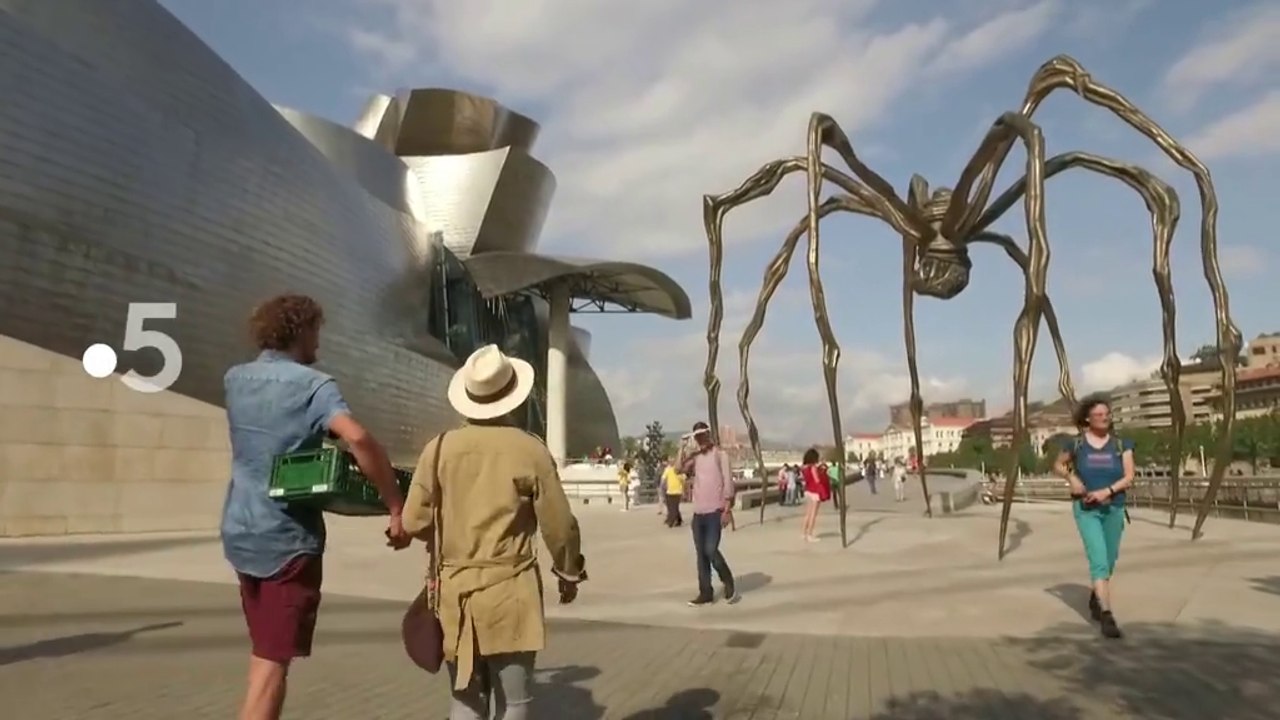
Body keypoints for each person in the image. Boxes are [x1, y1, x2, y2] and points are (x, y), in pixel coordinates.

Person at [220, 294, 410, 720]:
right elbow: (357, 437)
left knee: (265, 656)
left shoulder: (235, 379)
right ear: (301, 330)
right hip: (287, 542)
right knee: (272, 668)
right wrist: (394, 504)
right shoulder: (314, 386)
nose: (318, 345)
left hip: (239, 531)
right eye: (316, 333)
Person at [403, 344, 586, 718]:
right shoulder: (529, 450)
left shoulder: (438, 449)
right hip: (511, 589)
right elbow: (560, 525)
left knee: (465, 700)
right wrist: (568, 571)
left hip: (456, 595)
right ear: (511, 398)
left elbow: (412, 522)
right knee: (514, 702)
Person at [1053, 394, 1134, 640]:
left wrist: (1106, 492)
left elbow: (1129, 476)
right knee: (1098, 559)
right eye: (1098, 415)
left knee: (1109, 559)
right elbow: (1058, 465)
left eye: (1107, 414)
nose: (1104, 418)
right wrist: (1072, 478)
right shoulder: (1076, 444)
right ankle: (1106, 615)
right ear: (1087, 419)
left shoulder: (1121, 445)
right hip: (1086, 510)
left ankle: (1096, 596)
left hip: (1114, 507)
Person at [678, 421, 738, 606]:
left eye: (703, 436)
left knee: (710, 550)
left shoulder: (720, 455)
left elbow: (728, 482)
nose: (700, 439)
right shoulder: (695, 457)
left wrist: (727, 509)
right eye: (697, 437)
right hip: (699, 513)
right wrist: (682, 447)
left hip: (715, 511)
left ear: (708, 435)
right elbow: (678, 469)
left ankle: (727, 580)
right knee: (701, 555)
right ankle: (705, 592)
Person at [799, 448, 831, 542]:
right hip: (815, 492)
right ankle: (810, 534)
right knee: (813, 514)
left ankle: (803, 533)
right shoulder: (813, 467)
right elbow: (817, 480)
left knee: (807, 514)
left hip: (808, 491)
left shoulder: (804, 468)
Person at [662, 459, 685, 527]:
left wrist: (683, 490)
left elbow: (683, 480)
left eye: (672, 461)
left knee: (674, 507)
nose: (671, 462)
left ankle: (671, 521)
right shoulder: (668, 469)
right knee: (671, 507)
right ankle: (678, 519)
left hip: (677, 491)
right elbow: (663, 478)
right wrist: (663, 486)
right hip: (669, 491)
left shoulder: (679, 470)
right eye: (670, 461)